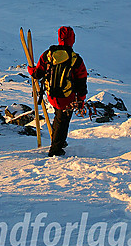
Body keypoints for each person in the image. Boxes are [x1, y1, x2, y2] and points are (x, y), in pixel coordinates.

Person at [28, 26, 88, 157]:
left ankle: (57, 141)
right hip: (67, 96)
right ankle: (56, 149)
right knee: (63, 121)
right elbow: (81, 82)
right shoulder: (76, 59)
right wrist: (81, 99)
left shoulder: (48, 55)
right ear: (72, 40)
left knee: (58, 117)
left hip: (52, 95)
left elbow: (38, 73)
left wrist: (30, 69)